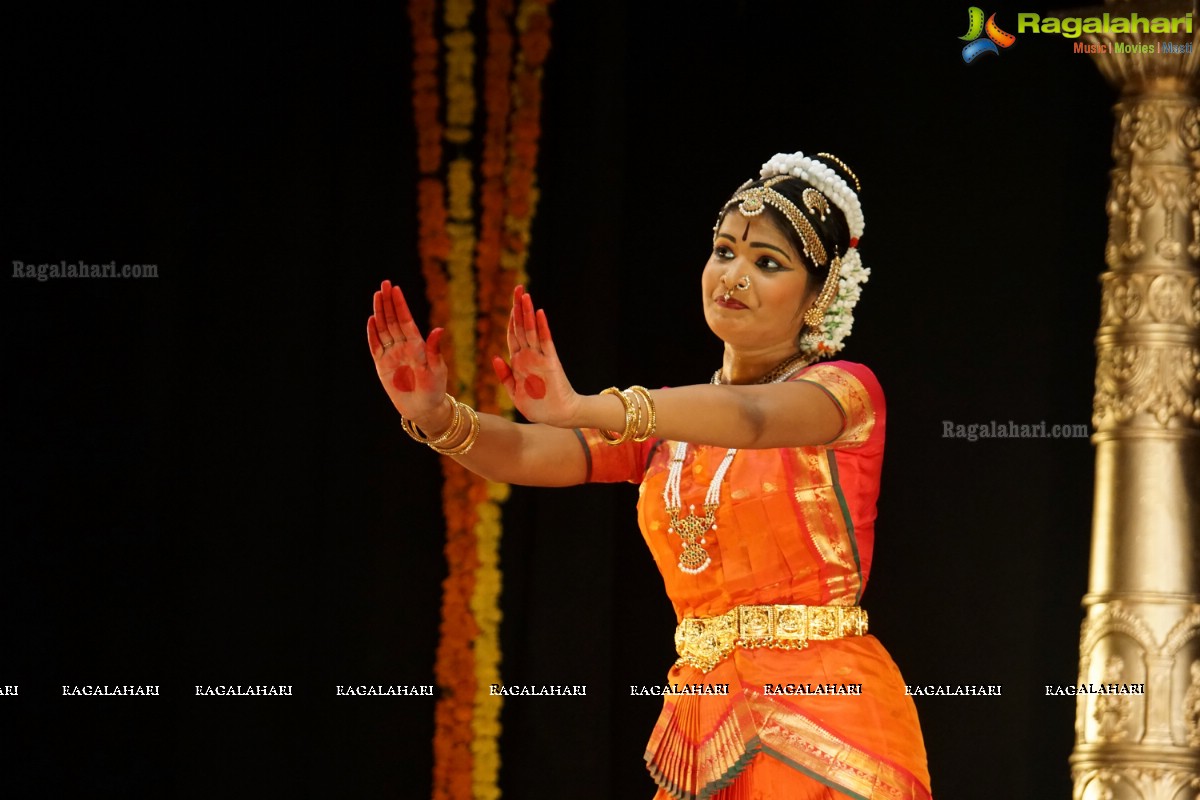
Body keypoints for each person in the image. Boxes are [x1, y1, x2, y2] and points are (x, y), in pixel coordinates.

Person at [368, 150, 932, 800]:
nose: (735, 276)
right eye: (725, 251)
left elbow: (750, 417)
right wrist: (439, 417)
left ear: (821, 294)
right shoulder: (667, 425)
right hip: (707, 718)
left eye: (767, 263)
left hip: (824, 719)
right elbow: (527, 453)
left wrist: (583, 405)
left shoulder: (843, 393)